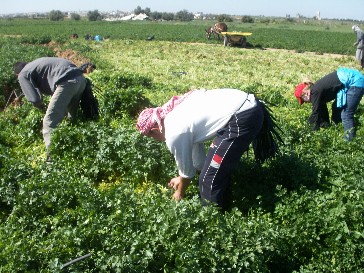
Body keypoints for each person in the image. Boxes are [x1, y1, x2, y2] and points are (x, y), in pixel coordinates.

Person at [136, 88, 283, 210]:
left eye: (151, 137)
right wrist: (184, 176)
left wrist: (179, 193)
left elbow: (187, 174)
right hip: (247, 106)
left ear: (155, 129)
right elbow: (198, 161)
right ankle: (225, 208)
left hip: (242, 116)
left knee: (209, 179)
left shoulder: (174, 132)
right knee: (212, 171)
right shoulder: (174, 117)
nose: (155, 140)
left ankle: (213, 223)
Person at [14, 57, 87, 160]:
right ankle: (77, 147)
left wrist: (42, 108)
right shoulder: (35, 65)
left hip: (67, 83)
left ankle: (52, 159)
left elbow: (35, 100)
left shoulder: (22, 75)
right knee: (71, 118)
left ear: (17, 74)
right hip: (80, 79)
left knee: (49, 121)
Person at [294, 67, 364, 141]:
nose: (306, 103)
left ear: (305, 93)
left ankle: (350, 142)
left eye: (303, 100)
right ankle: (338, 130)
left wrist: (311, 134)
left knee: (346, 114)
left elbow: (315, 113)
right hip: (352, 81)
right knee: (336, 107)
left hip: (355, 82)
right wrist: (326, 127)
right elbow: (321, 110)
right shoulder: (317, 92)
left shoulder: (314, 92)